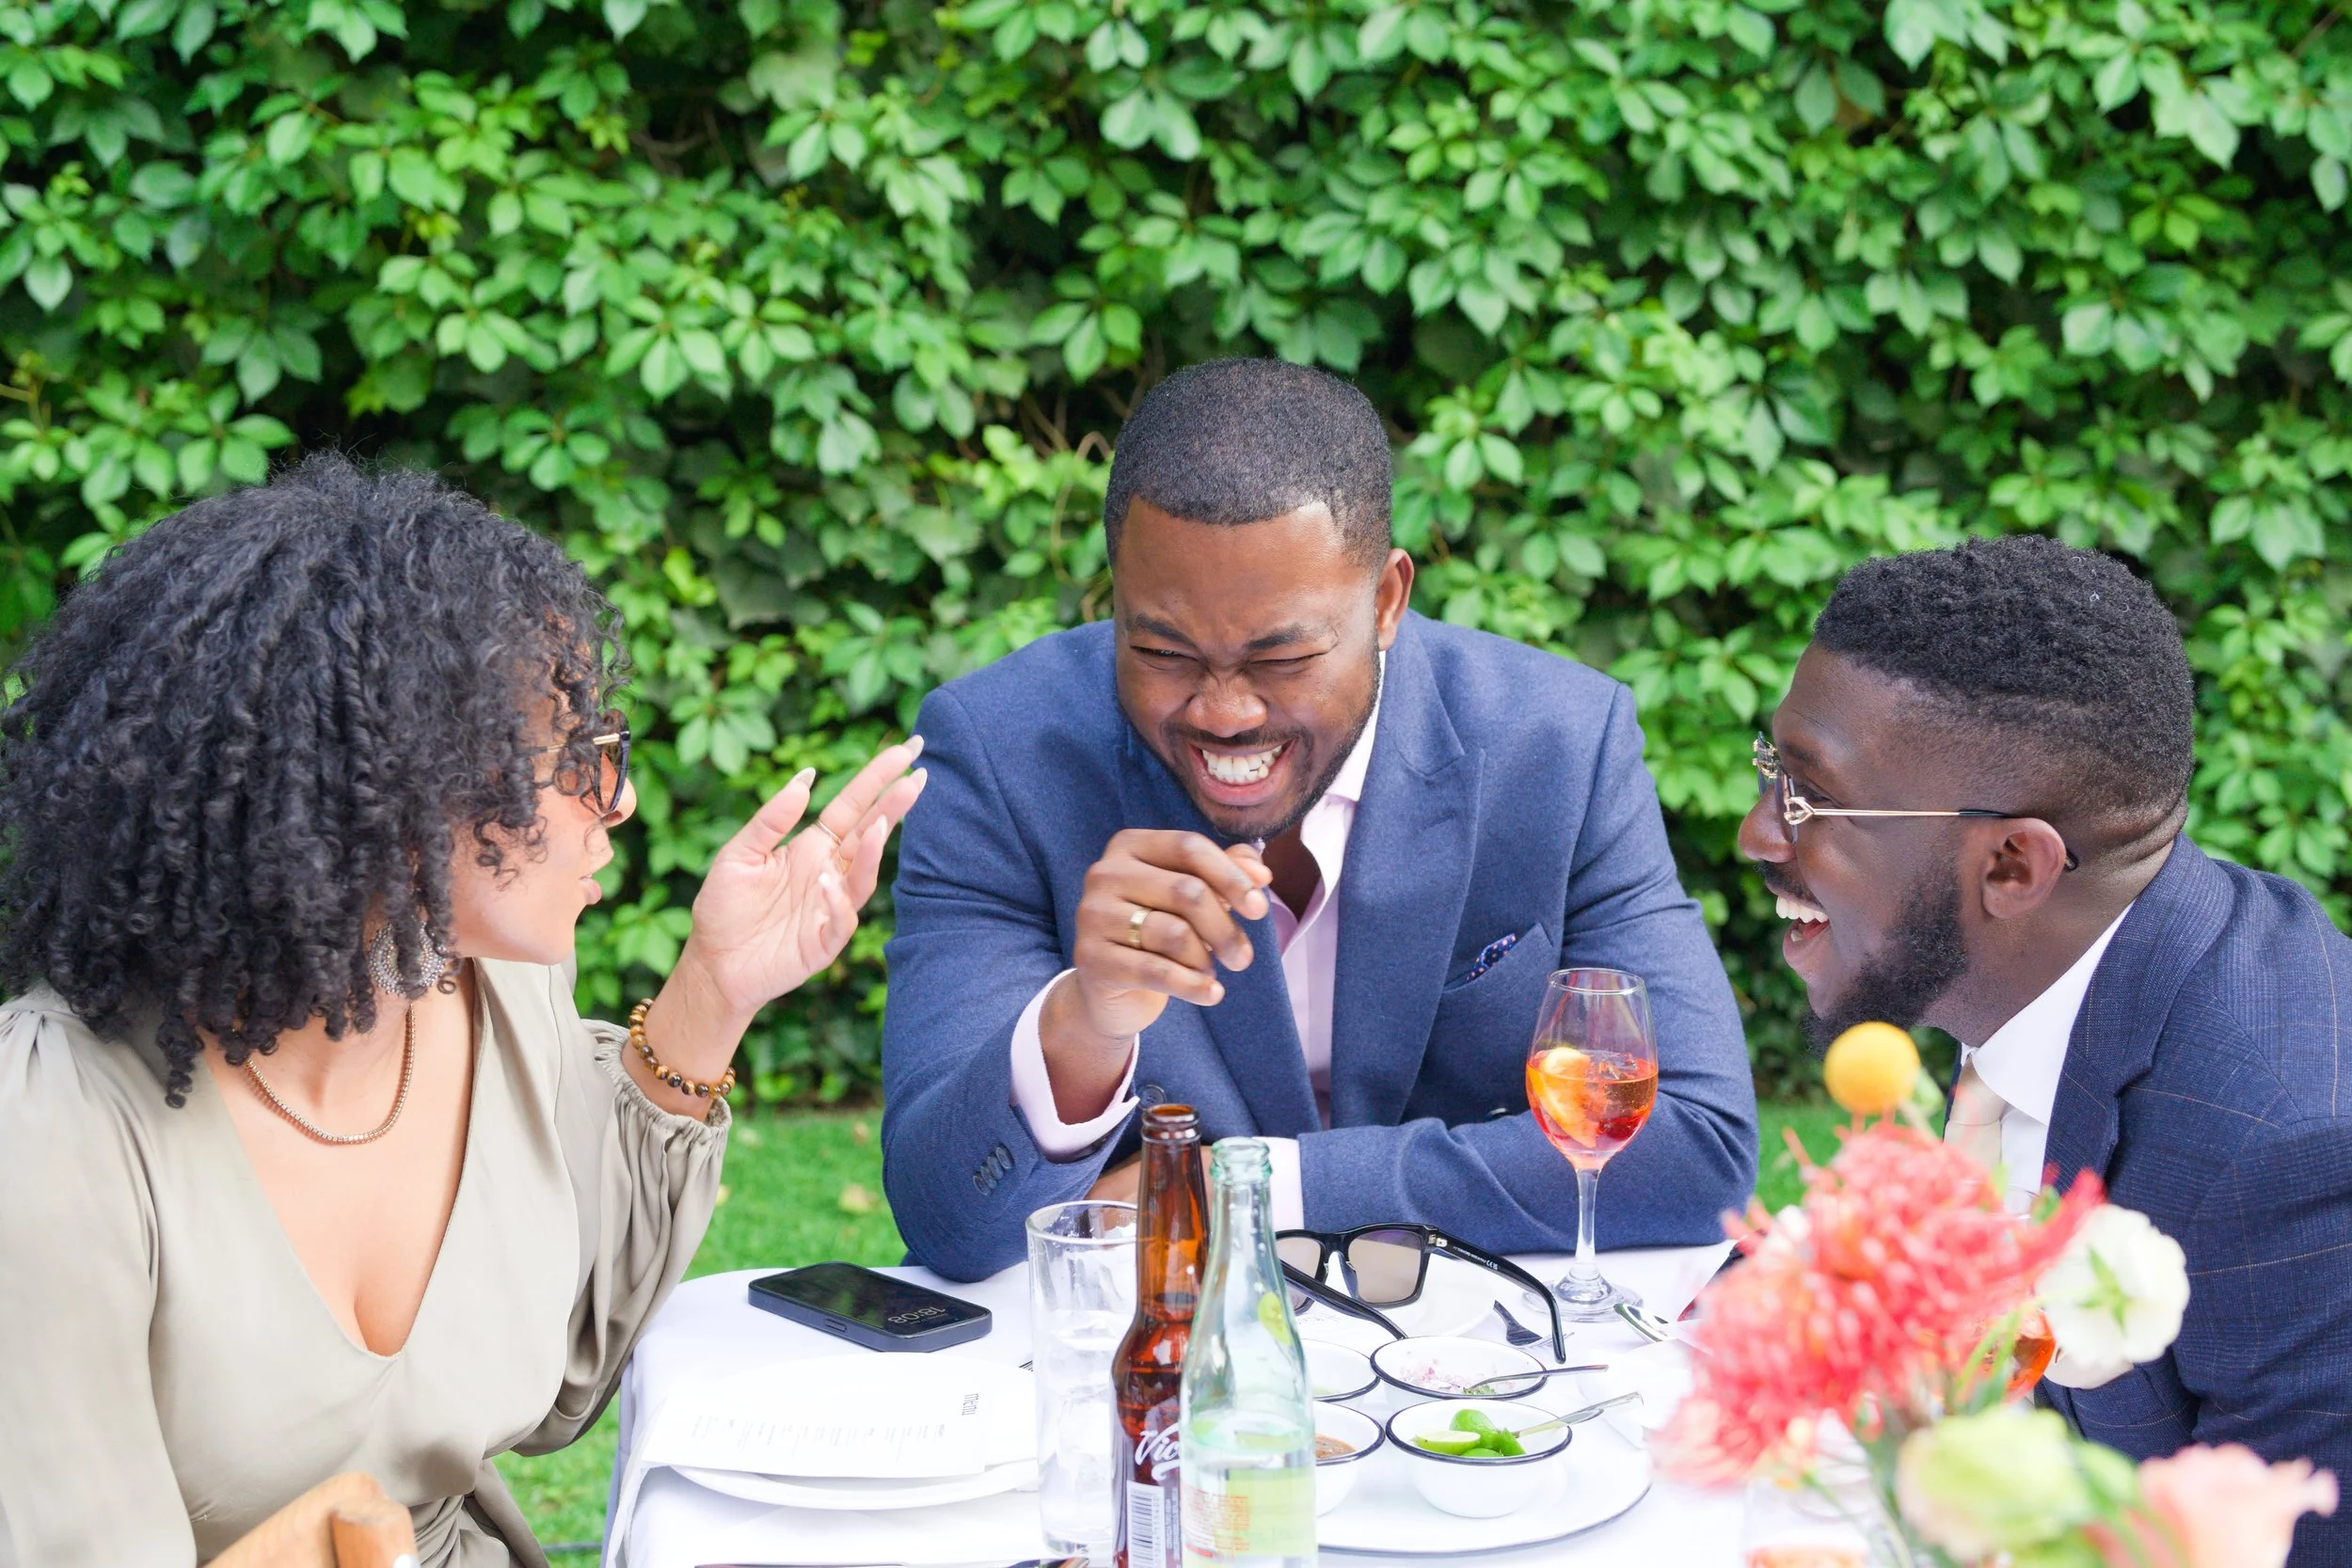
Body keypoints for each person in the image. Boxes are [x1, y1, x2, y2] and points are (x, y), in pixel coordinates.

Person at [0, 456, 925, 1567]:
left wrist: (713, 993)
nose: (620, 797)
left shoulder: (486, 980)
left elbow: (568, 1381)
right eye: (578, 758)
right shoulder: (53, 1134)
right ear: (393, 795)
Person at [881, 357, 1756, 1281]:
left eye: (1283, 654)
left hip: (1471, 1368)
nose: (1224, 711)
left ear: (1385, 600)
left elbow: (1695, 1147)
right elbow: (948, 1219)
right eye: (1161, 649)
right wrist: (1082, 1024)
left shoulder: (1556, 745)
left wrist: (1252, 1185)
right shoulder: (997, 751)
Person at [1740, 534, 2352, 1561]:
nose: (1762, 832)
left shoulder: (2281, 1155)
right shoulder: (2044, 968)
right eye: (1773, 773)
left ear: (2013, 865)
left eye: (1809, 799)